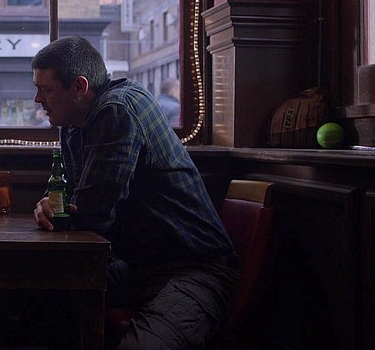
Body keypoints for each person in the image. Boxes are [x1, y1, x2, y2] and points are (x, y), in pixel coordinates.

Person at [31, 36, 239, 349]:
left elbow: (92, 214)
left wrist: (59, 210)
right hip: (137, 267)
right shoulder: (73, 123)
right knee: (34, 299)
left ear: (79, 87)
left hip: (193, 269)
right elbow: (63, 198)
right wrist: (46, 206)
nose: (37, 99)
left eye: (45, 90)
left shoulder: (116, 110)